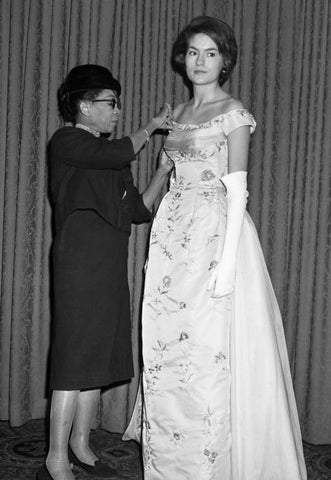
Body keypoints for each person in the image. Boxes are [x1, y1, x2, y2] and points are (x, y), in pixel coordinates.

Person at [123, 16, 307, 480]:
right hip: (171, 236)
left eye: (210, 53)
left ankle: (208, 463)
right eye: (192, 52)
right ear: (182, 60)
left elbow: (237, 189)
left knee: (207, 350)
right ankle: (169, 460)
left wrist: (227, 265)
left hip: (214, 233)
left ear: (225, 60)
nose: (199, 61)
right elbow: (168, 172)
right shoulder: (177, 116)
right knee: (166, 345)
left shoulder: (234, 112)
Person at [37, 64, 173, 480]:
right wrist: (152, 127)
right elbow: (118, 151)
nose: (116, 112)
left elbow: (139, 210)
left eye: (117, 104)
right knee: (74, 358)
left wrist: (162, 170)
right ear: (83, 105)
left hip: (109, 264)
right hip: (80, 263)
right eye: (110, 103)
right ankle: (55, 457)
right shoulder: (67, 141)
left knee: (96, 356)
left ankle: (81, 444)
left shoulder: (111, 158)